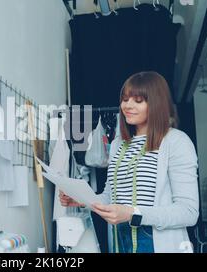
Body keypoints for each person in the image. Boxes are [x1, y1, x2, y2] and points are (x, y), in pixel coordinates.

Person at [60, 71, 199, 253]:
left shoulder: (176, 141)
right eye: (125, 99)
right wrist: (83, 199)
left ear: (157, 103)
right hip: (120, 240)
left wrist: (134, 214)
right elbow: (110, 197)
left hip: (156, 243)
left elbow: (188, 212)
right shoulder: (119, 143)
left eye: (138, 100)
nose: (127, 106)